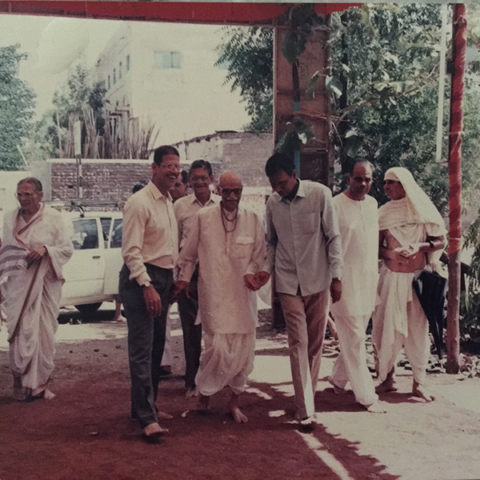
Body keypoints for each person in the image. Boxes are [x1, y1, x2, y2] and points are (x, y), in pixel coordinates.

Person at [255, 153, 343, 425]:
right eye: (273, 185)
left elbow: (333, 237)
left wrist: (337, 276)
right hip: (288, 282)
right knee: (298, 342)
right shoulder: (272, 203)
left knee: (315, 345)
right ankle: (305, 409)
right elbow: (272, 242)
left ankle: (307, 398)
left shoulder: (320, 195)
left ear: (294, 174)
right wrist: (265, 273)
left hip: (318, 280)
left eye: (281, 182)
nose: (277, 189)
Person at [174, 172, 265, 423]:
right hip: (213, 293)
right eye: (227, 191)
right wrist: (183, 278)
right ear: (218, 190)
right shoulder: (203, 218)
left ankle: (234, 403)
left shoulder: (253, 219)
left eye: (237, 191)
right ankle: (205, 392)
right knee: (216, 350)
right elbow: (189, 254)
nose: (233, 197)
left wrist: (250, 273)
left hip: (242, 296)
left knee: (244, 352)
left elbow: (260, 256)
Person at [119, 145, 180, 443]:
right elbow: (131, 251)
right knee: (142, 350)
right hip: (141, 280)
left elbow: (168, 248)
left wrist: (174, 280)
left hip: (164, 279)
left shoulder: (168, 202)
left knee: (156, 348)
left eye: (176, 167)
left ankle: (144, 406)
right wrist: (147, 286)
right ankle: (147, 418)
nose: (173, 171)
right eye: (167, 166)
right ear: (153, 168)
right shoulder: (139, 202)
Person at [372, 167, 446, 402]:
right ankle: (386, 379)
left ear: (404, 184)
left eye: (390, 182)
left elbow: (440, 240)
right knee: (386, 328)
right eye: (384, 183)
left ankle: (419, 383)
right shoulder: (383, 213)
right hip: (391, 279)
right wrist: (390, 254)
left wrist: (419, 247)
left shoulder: (422, 210)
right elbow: (374, 247)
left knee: (417, 331)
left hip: (418, 281)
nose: (385, 187)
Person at [0, 177, 73, 401]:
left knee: (42, 333)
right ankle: (21, 385)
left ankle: (39, 385)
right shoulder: (9, 219)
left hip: (44, 284)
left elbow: (67, 249)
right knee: (20, 332)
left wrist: (45, 250)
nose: (23, 199)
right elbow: (5, 252)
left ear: (40, 196)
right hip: (18, 285)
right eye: (19, 194)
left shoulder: (54, 218)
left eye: (27, 194)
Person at [328, 161, 385, 413]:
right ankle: (367, 397)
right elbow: (328, 246)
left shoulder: (373, 205)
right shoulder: (334, 205)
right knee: (355, 340)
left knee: (356, 336)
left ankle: (338, 379)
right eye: (358, 179)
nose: (363, 184)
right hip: (343, 282)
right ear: (348, 179)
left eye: (368, 179)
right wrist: (334, 278)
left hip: (368, 281)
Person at [173, 160, 220, 396]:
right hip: (189, 275)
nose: (199, 182)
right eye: (195, 178)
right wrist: (178, 275)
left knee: (216, 328)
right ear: (189, 181)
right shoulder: (180, 207)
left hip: (216, 275)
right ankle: (191, 382)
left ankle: (216, 379)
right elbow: (175, 243)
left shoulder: (221, 205)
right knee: (191, 331)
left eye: (204, 177)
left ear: (211, 180)